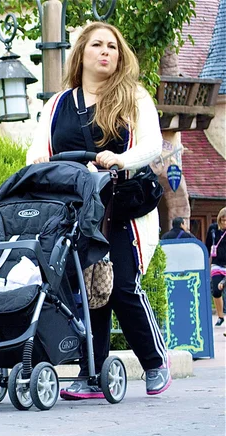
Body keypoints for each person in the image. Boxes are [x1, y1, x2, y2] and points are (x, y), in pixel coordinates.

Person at [28, 22, 171, 398]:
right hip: (73, 211)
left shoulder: (134, 97)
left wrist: (120, 159)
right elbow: (37, 153)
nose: (106, 51)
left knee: (122, 287)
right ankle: (91, 373)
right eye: (97, 45)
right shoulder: (57, 104)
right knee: (85, 292)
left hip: (122, 209)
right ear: (82, 53)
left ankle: (155, 361)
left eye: (112, 46)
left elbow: (153, 145)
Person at [205, 207, 226, 326]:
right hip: (217, 264)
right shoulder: (213, 229)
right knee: (217, 290)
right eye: (222, 220)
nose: (224, 223)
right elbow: (207, 245)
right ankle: (220, 316)